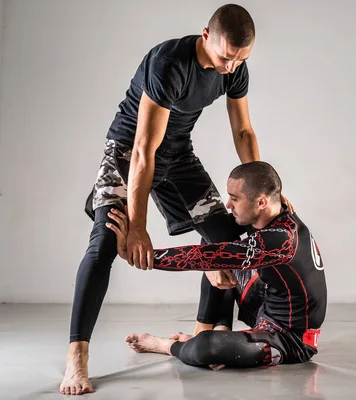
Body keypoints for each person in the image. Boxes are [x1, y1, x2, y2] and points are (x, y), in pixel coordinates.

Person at [60, 4, 293, 396]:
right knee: (104, 244)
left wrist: (266, 192)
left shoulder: (234, 70)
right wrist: (137, 226)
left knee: (228, 242)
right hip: (127, 153)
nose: (231, 66)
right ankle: (76, 358)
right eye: (225, 57)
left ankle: (204, 338)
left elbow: (244, 133)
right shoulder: (170, 62)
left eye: (240, 59)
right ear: (206, 35)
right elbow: (142, 150)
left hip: (178, 157)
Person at [107, 161, 327, 370]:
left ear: (261, 202)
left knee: (207, 347)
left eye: (235, 198)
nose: (228, 204)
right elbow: (213, 244)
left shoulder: (282, 240)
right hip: (264, 307)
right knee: (215, 239)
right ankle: (220, 329)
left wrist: (142, 255)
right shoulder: (273, 211)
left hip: (290, 339)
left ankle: (166, 345)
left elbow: (201, 256)